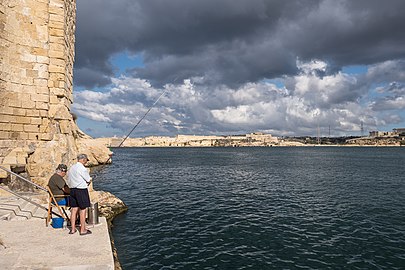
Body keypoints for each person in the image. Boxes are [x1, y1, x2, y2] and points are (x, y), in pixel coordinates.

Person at [67, 154, 92, 235]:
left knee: (74, 210)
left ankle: (73, 229)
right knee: (83, 209)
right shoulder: (82, 168)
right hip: (81, 190)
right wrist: (89, 180)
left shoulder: (72, 168)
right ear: (83, 159)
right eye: (86, 160)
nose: (86, 162)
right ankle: (82, 229)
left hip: (72, 190)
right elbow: (88, 179)